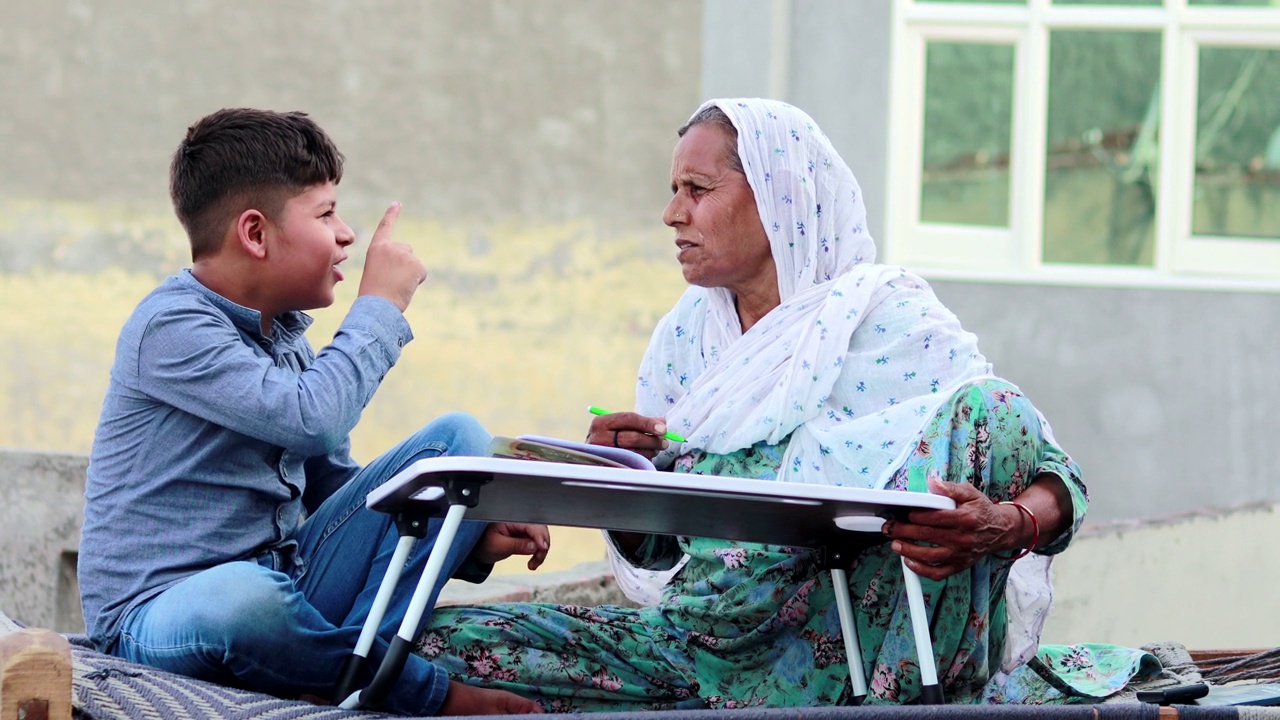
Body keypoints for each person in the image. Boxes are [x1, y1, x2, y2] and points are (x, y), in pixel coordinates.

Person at [415, 99, 1089, 709]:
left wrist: (1011, 524)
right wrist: (621, 478)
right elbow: (662, 552)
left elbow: (1051, 469)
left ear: (779, 197)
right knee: (423, 647)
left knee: (991, 408)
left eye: (697, 190)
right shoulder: (686, 339)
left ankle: (888, 708)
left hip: (863, 651)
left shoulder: (886, 318)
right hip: (695, 646)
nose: (672, 213)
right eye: (673, 191)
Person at [78, 108, 548, 716]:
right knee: (245, 598)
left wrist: (464, 527)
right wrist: (379, 308)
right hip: (162, 616)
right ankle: (415, 693)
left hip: (288, 585)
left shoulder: (287, 338)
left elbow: (338, 491)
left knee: (459, 442)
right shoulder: (171, 326)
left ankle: (348, 673)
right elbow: (311, 417)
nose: (347, 234)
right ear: (255, 234)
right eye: (326, 214)